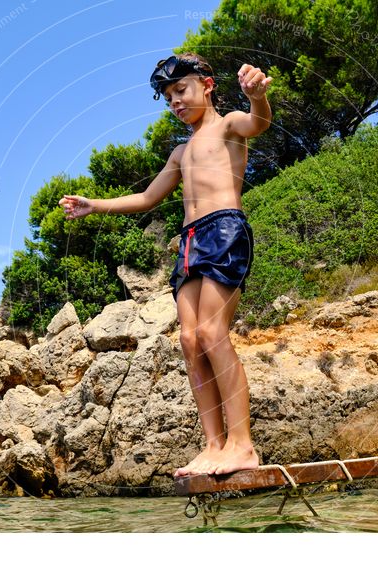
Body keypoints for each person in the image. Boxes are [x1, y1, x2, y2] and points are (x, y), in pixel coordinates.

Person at [59, 53, 272, 477]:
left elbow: (259, 123)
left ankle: (242, 445)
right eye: (167, 96)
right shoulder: (180, 152)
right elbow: (147, 198)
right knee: (190, 342)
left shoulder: (229, 124)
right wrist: (94, 205)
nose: (174, 101)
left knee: (213, 333)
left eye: (181, 90)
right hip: (191, 241)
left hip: (224, 230)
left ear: (207, 85)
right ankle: (214, 446)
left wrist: (257, 97)